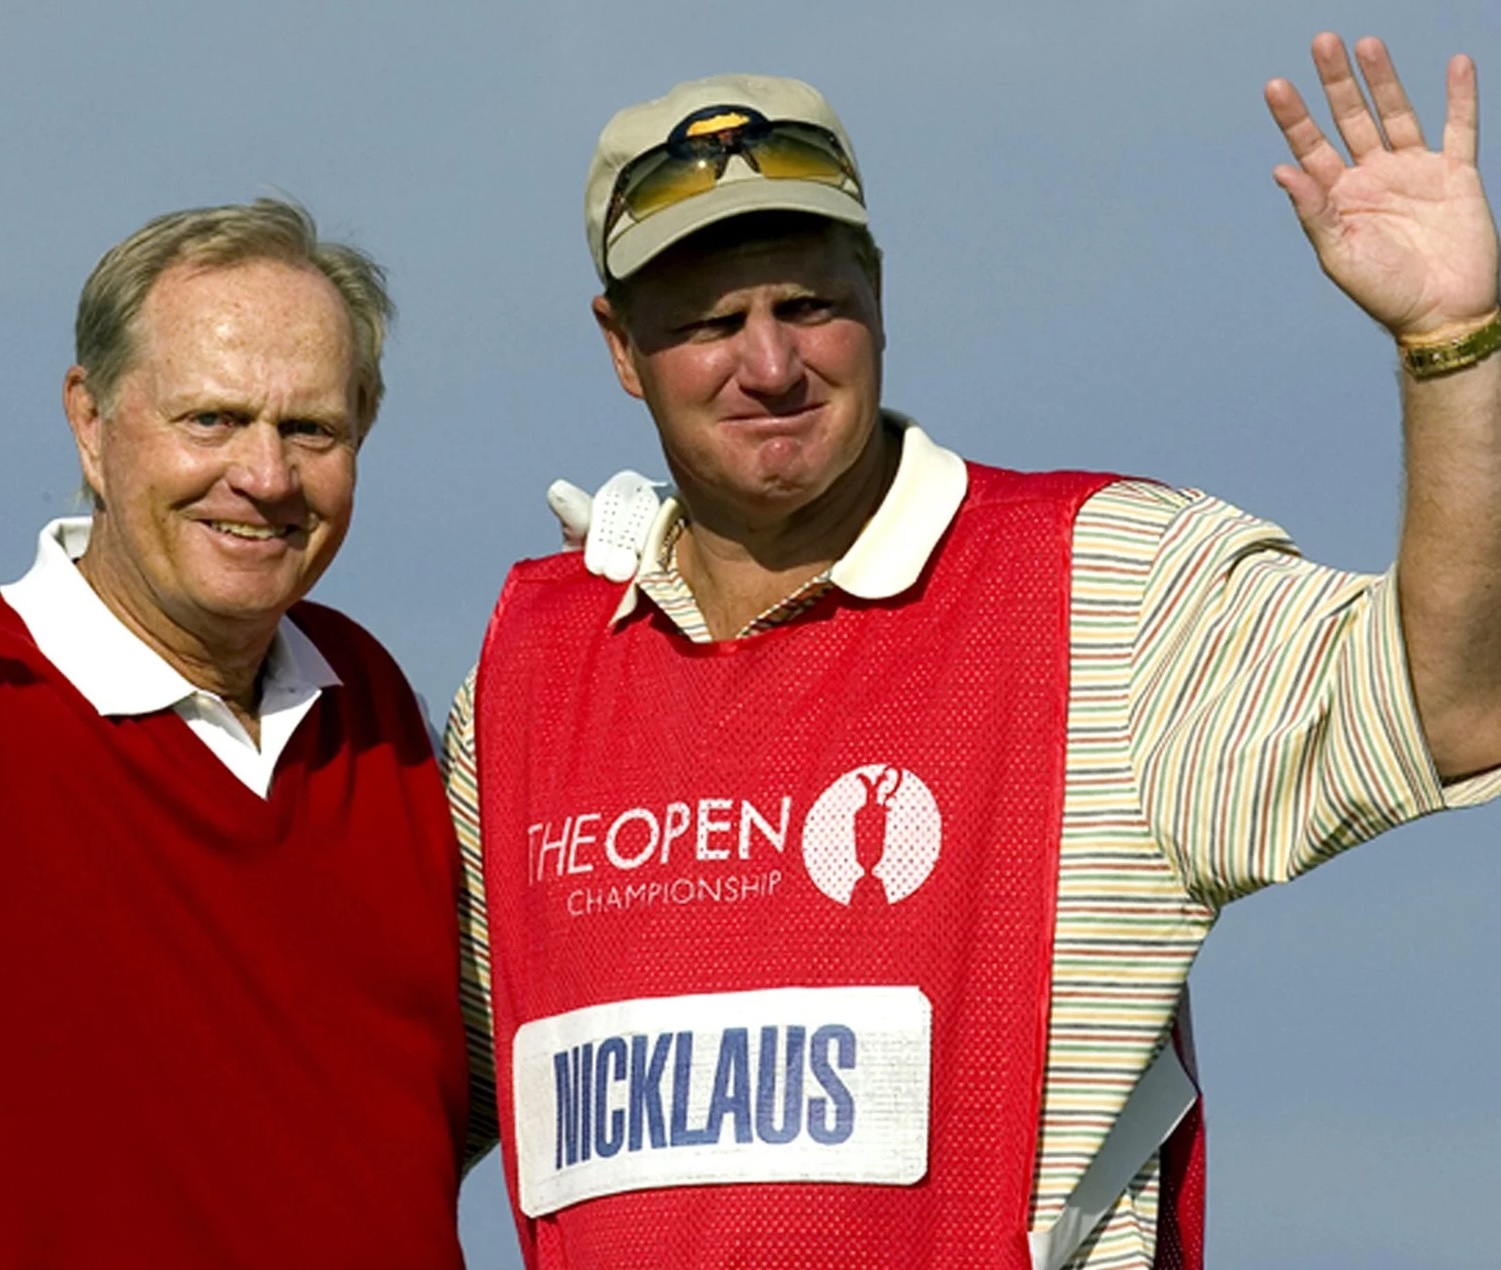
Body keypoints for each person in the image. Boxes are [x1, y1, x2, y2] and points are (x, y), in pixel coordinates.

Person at [444, 34, 1501, 1269]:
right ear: (621, 348)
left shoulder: (1107, 587)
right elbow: (391, 1103)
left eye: (810, 304)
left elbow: (1456, 702)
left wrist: (1455, 345)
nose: (770, 363)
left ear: (879, 293)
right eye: (710, 321)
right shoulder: (530, 673)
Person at [0, 199, 487, 1267]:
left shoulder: (371, 703)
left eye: (310, 428)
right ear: (90, 422)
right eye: (211, 419)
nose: (265, 478)